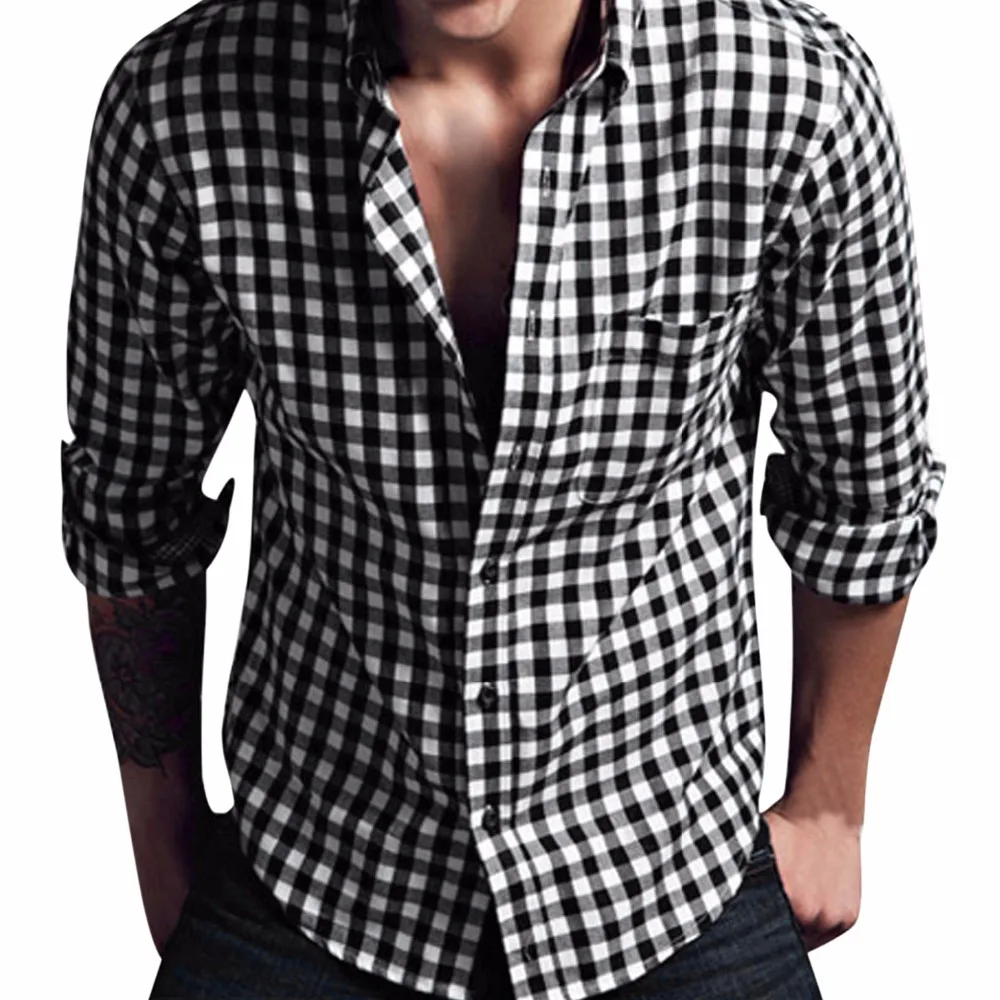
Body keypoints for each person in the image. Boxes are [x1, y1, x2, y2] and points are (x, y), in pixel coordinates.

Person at [60, 0, 946, 997]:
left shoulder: (793, 95)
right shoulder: (179, 107)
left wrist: (830, 802)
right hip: (321, 866)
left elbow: (862, 488)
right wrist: (159, 826)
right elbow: (134, 510)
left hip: (665, 868)